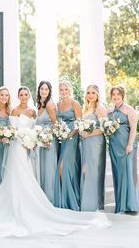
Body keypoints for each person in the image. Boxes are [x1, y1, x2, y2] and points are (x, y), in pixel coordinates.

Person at [0, 86, 109, 240]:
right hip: (14, 147)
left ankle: (29, 207)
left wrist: (32, 140)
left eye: (26, 94)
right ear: (17, 96)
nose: (24, 97)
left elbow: (36, 128)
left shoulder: (33, 112)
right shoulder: (13, 111)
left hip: (26, 147)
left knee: (26, 175)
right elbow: (6, 128)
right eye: (21, 94)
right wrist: (8, 135)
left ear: (29, 96)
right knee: (12, 176)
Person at [108, 85, 139, 213]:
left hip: (126, 146)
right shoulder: (110, 110)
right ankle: (120, 204)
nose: (115, 97)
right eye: (113, 94)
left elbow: (133, 128)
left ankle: (129, 205)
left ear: (122, 95)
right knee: (118, 174)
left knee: (127, 173)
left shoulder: (129, 109)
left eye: (118, 94)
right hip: (114, 146)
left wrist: (130, 144)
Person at [54, 80, 82, 210]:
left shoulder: (75, 103)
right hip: (63, 139)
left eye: (66, 89)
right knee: (63, 168)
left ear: (70, 90)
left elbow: (80, 123)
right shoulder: (57, 104)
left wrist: (71, 134)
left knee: (63, 167)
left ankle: (71, 200)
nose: (64, 92)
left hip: (72, 138)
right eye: (61, 90)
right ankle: (65, 200)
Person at [80, 85, 107, 211]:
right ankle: (87, 202)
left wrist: (88, 134)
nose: (90, 95)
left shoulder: (99, 108)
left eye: (93, 93)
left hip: (96, 143)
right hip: (85, 143)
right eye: (88, 92)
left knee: (93, 171)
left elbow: (103, 128)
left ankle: (93, 204)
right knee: (85, 170)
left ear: (97, 94)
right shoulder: (85, 108)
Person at [36, 81, 58, 204]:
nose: (43, 91)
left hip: (49, 141)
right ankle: (44, 199)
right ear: (39, 90)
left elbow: (56, 123)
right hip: (41, 141)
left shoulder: (49, 104)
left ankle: (50, 200)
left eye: (46, 89)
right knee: (43, 169)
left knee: (49, 169)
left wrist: (48, 137)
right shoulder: (39, 105)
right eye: (42, 89)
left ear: (49, 92)